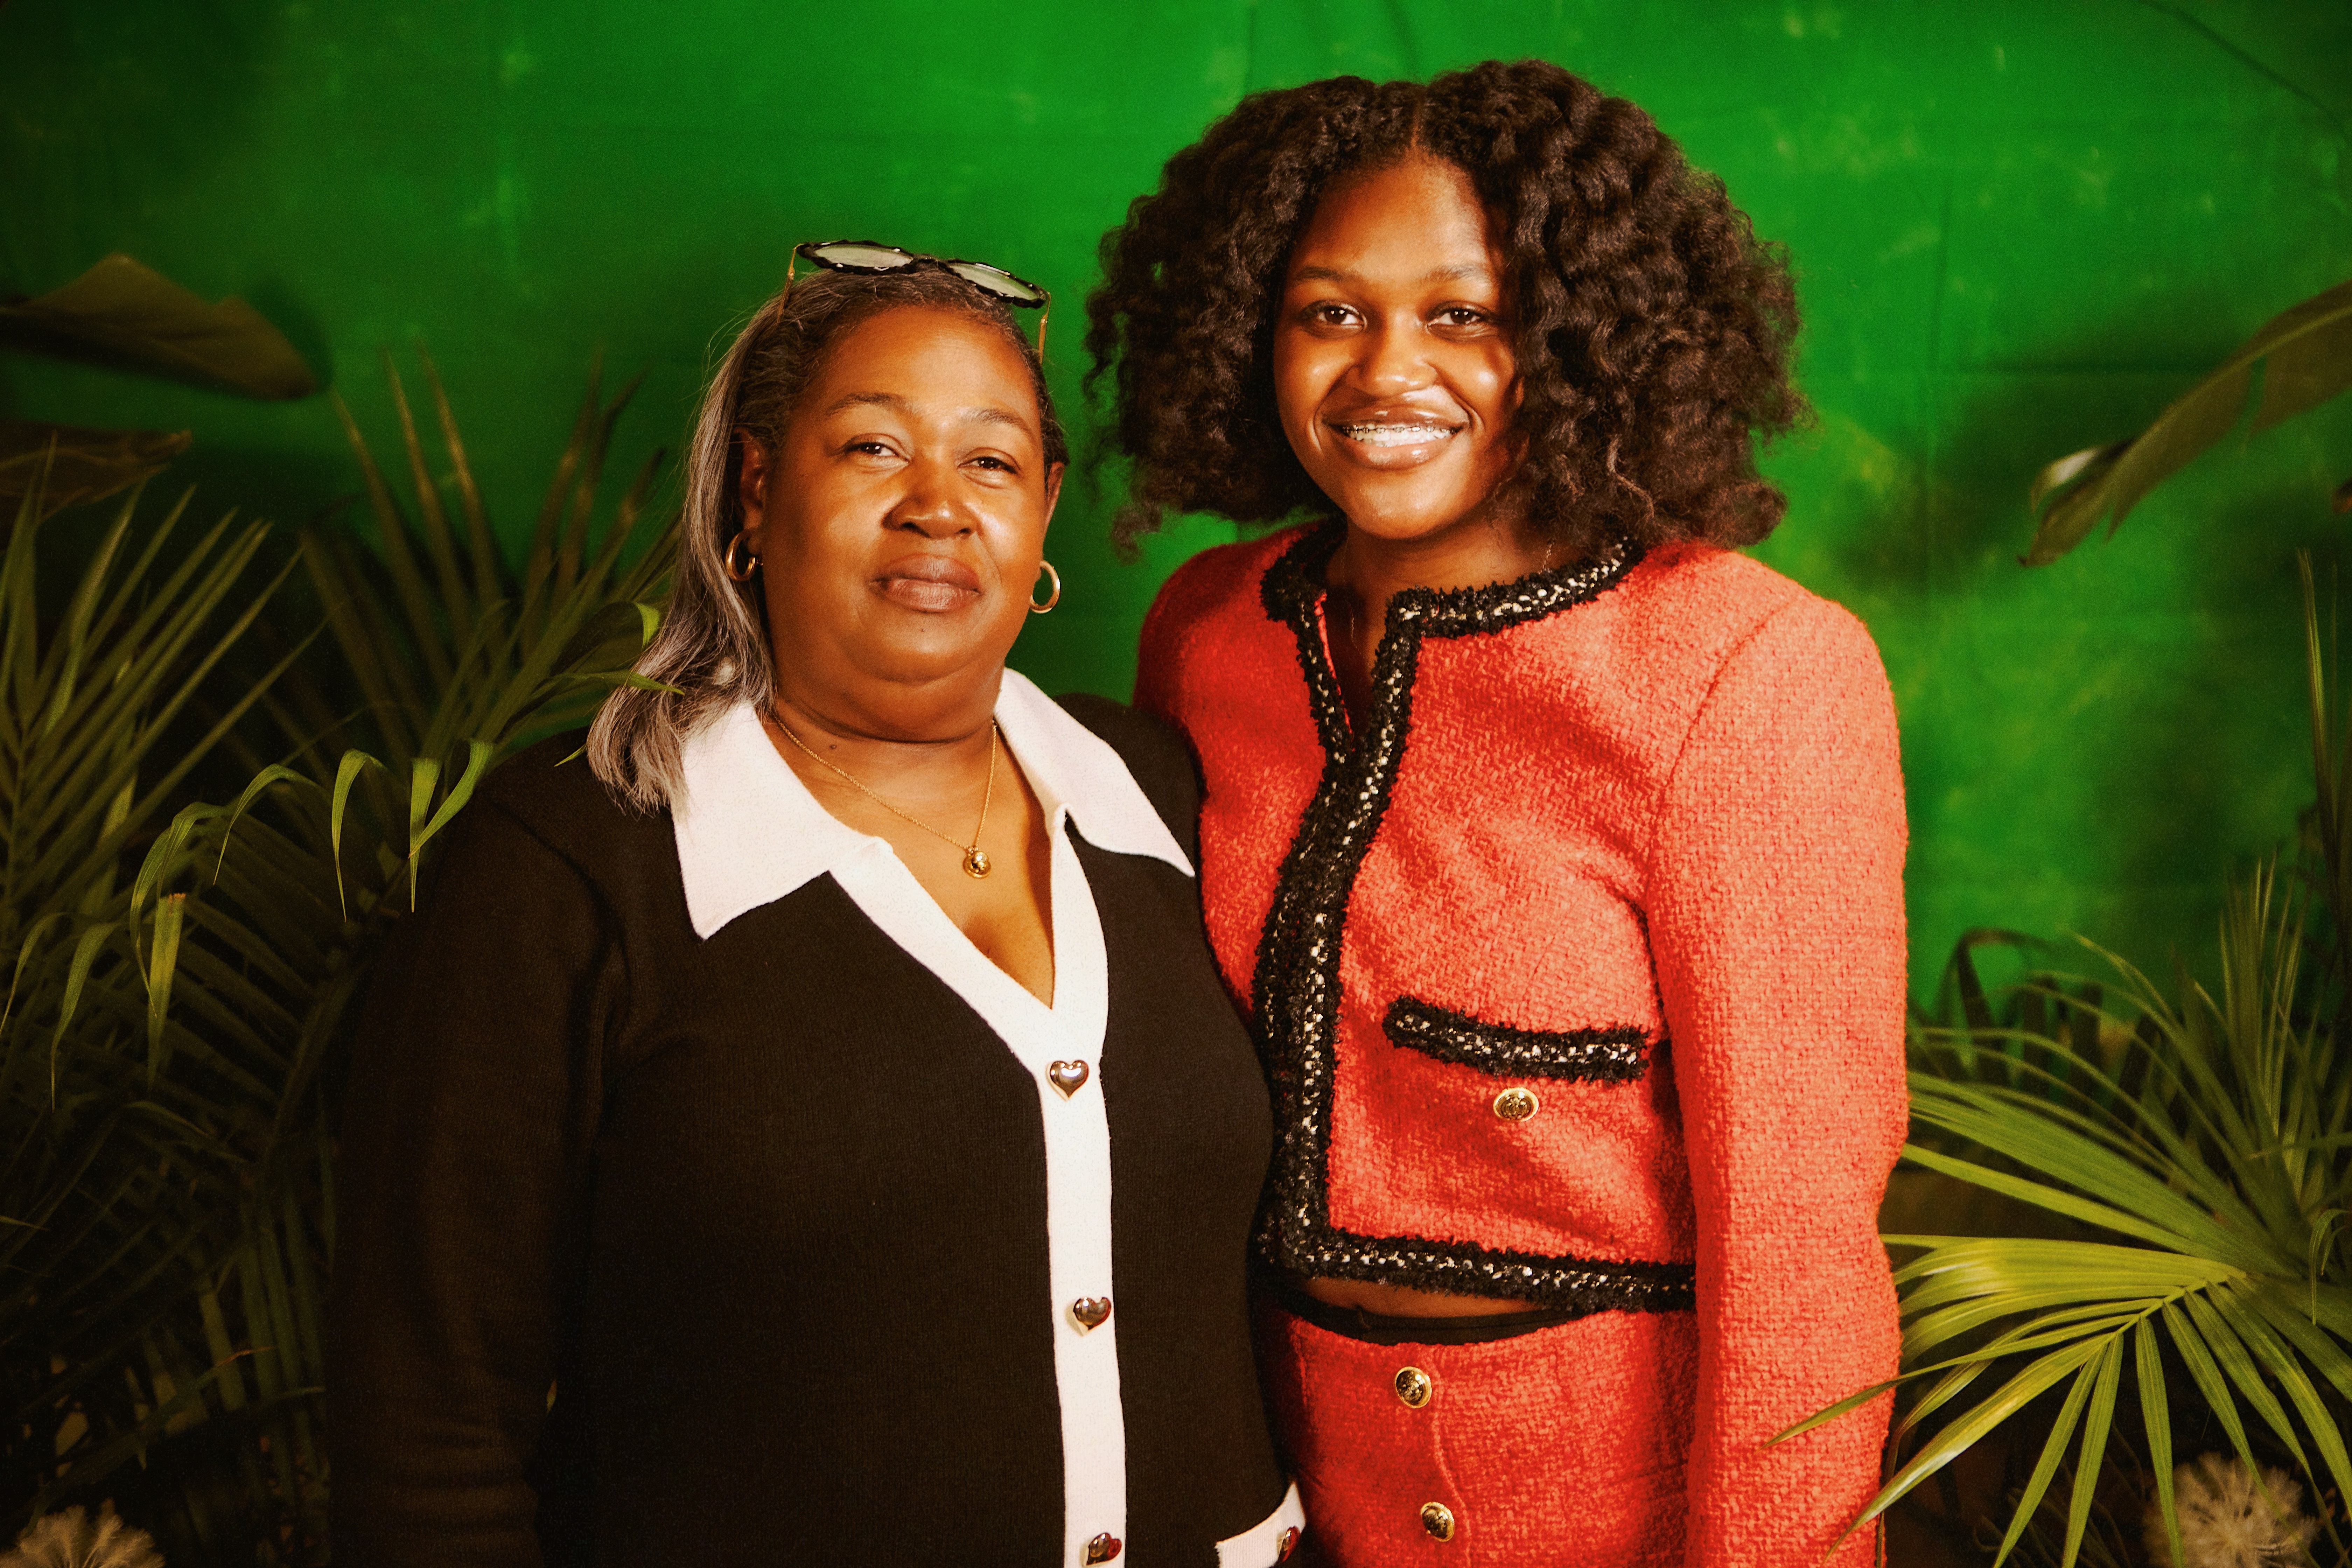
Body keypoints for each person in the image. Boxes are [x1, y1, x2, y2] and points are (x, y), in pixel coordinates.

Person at [328, 249, 1306, 1567]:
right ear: (753, 488)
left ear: (1046, 519)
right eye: (871, 450)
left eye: (994, 463)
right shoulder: (571, 865)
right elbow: (428, 1431)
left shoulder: (1167, 798)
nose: (937, 509)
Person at [1088, 61, 1908, 1568]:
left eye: (1464, 314)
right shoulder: (1209, 633)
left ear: (1586, 336)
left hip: (1615, 1521)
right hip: (1258, 1500)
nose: (1387, 370)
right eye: (1330, 311)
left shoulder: (1751, 670)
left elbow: (1798, 1262)